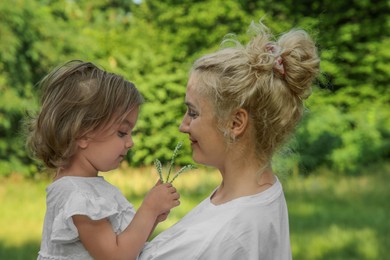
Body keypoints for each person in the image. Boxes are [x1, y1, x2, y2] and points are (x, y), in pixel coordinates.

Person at [138, 20, 320, 260]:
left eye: (193, 113)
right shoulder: (263, 191)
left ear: (235, 123)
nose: (183, 126)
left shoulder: (220, 237)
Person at [26, 60, 180, 260]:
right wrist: (148, 210)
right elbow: (116, 257)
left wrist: (152, 220)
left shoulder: (84, 187)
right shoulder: (78, 195)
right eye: (122, 133)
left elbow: (122, 244)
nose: (130, 143)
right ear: (82, 134)